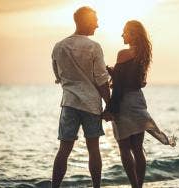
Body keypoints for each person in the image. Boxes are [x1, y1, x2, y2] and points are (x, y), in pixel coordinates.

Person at [103, 20, 176, 188]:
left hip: (125, 103)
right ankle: (139, 187)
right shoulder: (143, 55)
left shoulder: (123, 54)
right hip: (138, 101)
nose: (122, 35)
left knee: (124, 147)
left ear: (133, 34)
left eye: (125, 32)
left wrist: (110, 109)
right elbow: (135, 81)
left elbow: (120, 86)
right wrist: (114, 72)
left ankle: (134, 185)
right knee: (137, 147)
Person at [51, 6, 113, 188]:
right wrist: (109, 106)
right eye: (95, 21)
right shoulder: (94, 47)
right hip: (91, 105)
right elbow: (102, 80)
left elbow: (58, 76)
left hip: (69, 103)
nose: (98, 25)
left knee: (64, 150)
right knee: (93, 149)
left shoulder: (59, 46)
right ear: (85, 21)